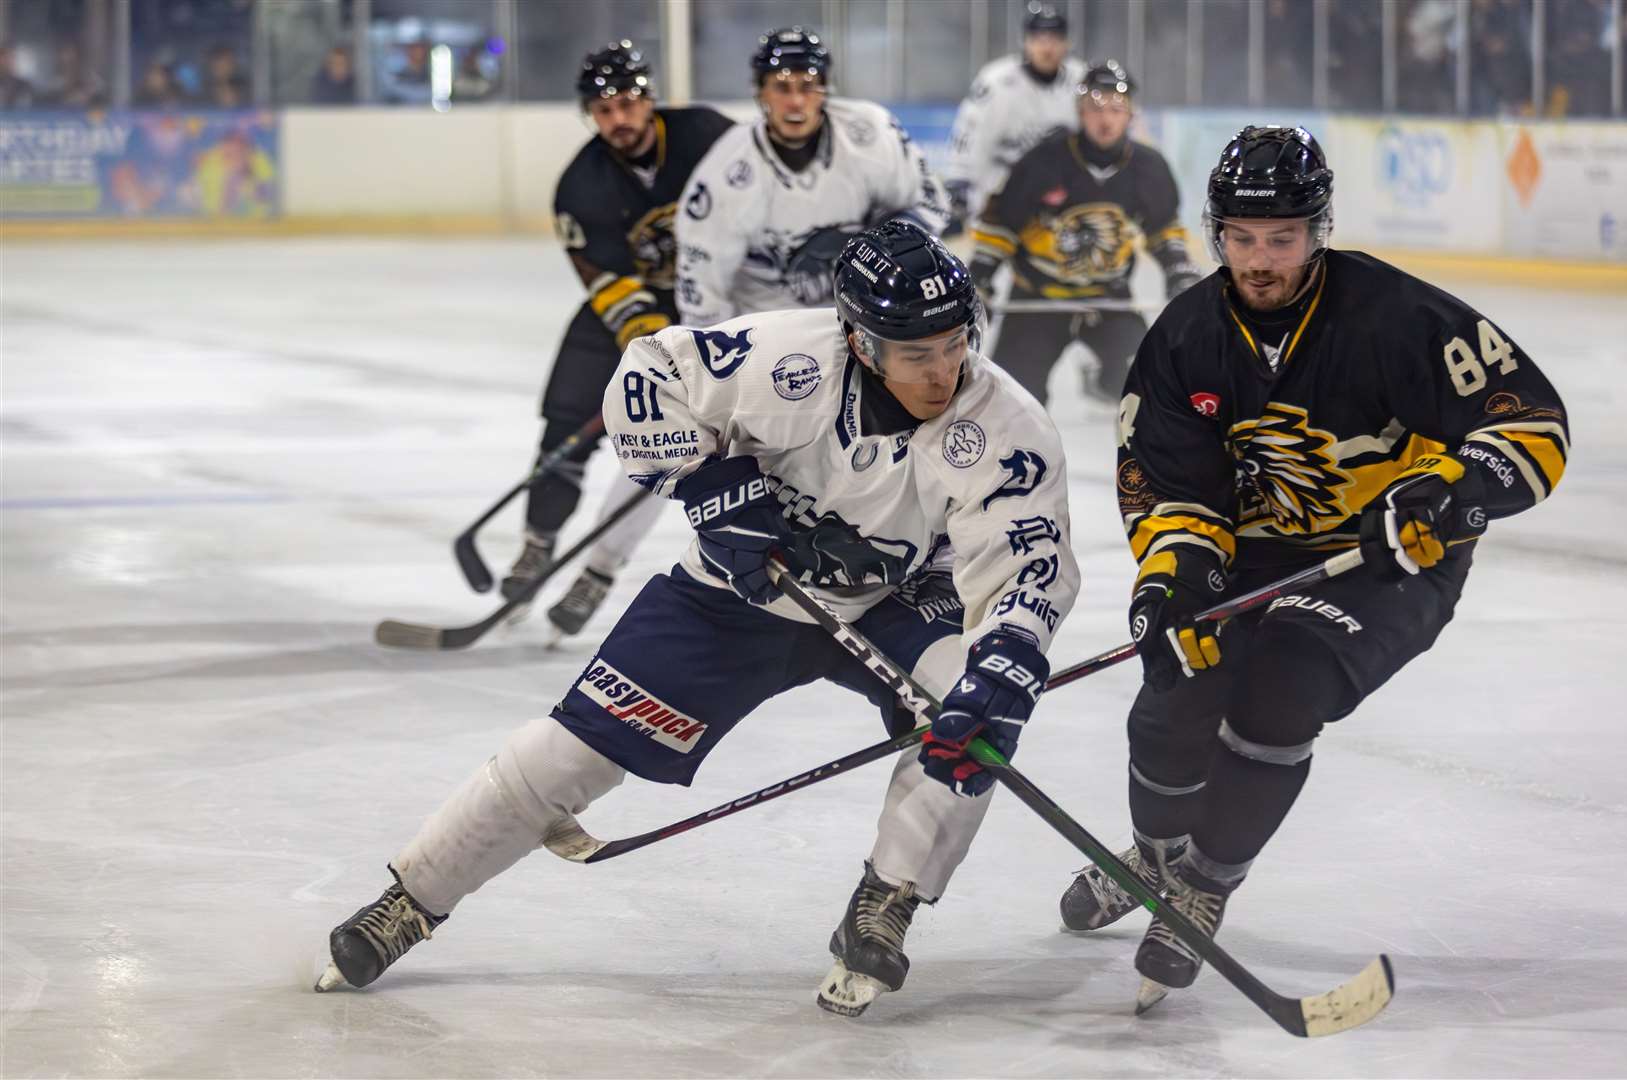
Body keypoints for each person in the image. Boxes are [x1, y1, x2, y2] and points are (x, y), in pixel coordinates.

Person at [315, 220, 1080, 1021]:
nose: (942, 370)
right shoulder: (786, 357)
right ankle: (412, 898)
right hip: (734, 597)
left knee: (975, 717)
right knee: (570, 750)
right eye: (915, 352)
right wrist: (709, 483)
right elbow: (645, 377)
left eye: (954, 343)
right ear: (859, 341)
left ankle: (887, 897)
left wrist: (1007, 658)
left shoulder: (1008, 429)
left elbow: (1028, 565)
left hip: (898, 600)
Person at [1054, 126, 1570, 1012]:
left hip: (1389, 559)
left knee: (1280, 690)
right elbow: (1168, 486)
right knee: (1175, 685)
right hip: (1248, 549)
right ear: (1215, 234)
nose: (1260, 260)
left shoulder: (1395, 317)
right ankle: (1154, 850)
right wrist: (1173, 582)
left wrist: (1447, 489)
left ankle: (1201, 885)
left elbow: (1531, 425)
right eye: (1242, 239)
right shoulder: (1183, 338)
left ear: (1318, 228)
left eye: (1282, 238)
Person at [498, 42, 733, 638]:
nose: (619, 119)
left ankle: (601, 569)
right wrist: (646, 343)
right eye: (604, 110)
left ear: (649, 100)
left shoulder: (707, 135)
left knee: (668, 440)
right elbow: (603, 279)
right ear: (589, 115)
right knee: (565, 419)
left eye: (628, 103)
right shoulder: (580, 185)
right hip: (628, 315)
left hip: (712, 312)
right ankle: (537, 541)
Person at [672, 26, 951, 329]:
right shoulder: (727, 171)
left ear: (825, 88)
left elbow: (930, 203)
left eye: (807, 86)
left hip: (865, 318)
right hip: (767, 330)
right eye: (781, 87)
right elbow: (701, 284)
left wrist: (885, 256)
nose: (795, 102)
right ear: (760, 91)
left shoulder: (871, 133)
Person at [968, 61, 1200, 407]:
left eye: (1116, 109)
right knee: (1008, 403)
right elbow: (1002, 223)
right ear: (1080, 111)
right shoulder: (1042, 161)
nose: (1105, 119)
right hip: (1038, 298)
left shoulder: (1148, 168)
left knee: (1147, 382)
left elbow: (1163, 228)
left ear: (1130, 114)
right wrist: (980, 279)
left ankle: (1103, 379)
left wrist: (1177, 269)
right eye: (1095, 108)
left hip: (1108, 297)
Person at [940, 2, 1086, 235]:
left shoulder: (1082, 79)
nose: (1047, 47)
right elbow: (969, 133)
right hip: (1000, 194)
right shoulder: (997, 81)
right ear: (1026, 41)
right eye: (1039, 38)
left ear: (1067, 43)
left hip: (1061, 203)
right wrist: (960, 182)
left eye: (1055, 39)